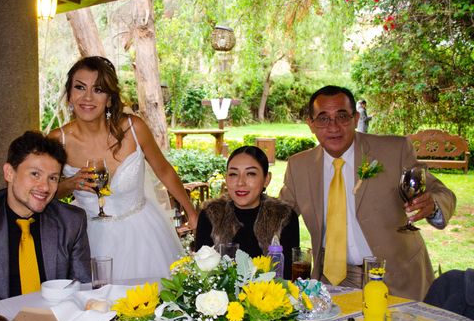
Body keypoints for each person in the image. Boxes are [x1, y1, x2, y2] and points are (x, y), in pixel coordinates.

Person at [279, 85, 456, 301]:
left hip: (396, 278)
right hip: (332, 282)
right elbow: (278, 215)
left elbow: (441, 192)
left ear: (355, 119)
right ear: (311, 124)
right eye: (323, 118)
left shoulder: (394, 150)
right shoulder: (299, 166)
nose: (333, 126)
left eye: (342, 116)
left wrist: (433, 205)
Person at [49, 56, 196, 280]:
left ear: (109, 99)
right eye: (80, 87)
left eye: (98, 89)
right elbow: (44, 192)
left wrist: (191, 211)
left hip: (144, 237)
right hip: (87, 240)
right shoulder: (56, 141)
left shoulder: (134, 129)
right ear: (70, 95)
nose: (87, 97)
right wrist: (69, 184)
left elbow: (164, 171)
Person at [0, 131, 91, 306]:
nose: (45, 187)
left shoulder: (71, 221)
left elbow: (82, 288)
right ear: (9, 173)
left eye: (53, 178)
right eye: (35, 174)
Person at [195, 146, 299, 278]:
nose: (240, 182)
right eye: (233, 174)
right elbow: (200, 273)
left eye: (251, 174)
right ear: (226, 178)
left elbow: (289, 277)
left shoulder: (283, 217)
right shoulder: (211, 216)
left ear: (267, 179)